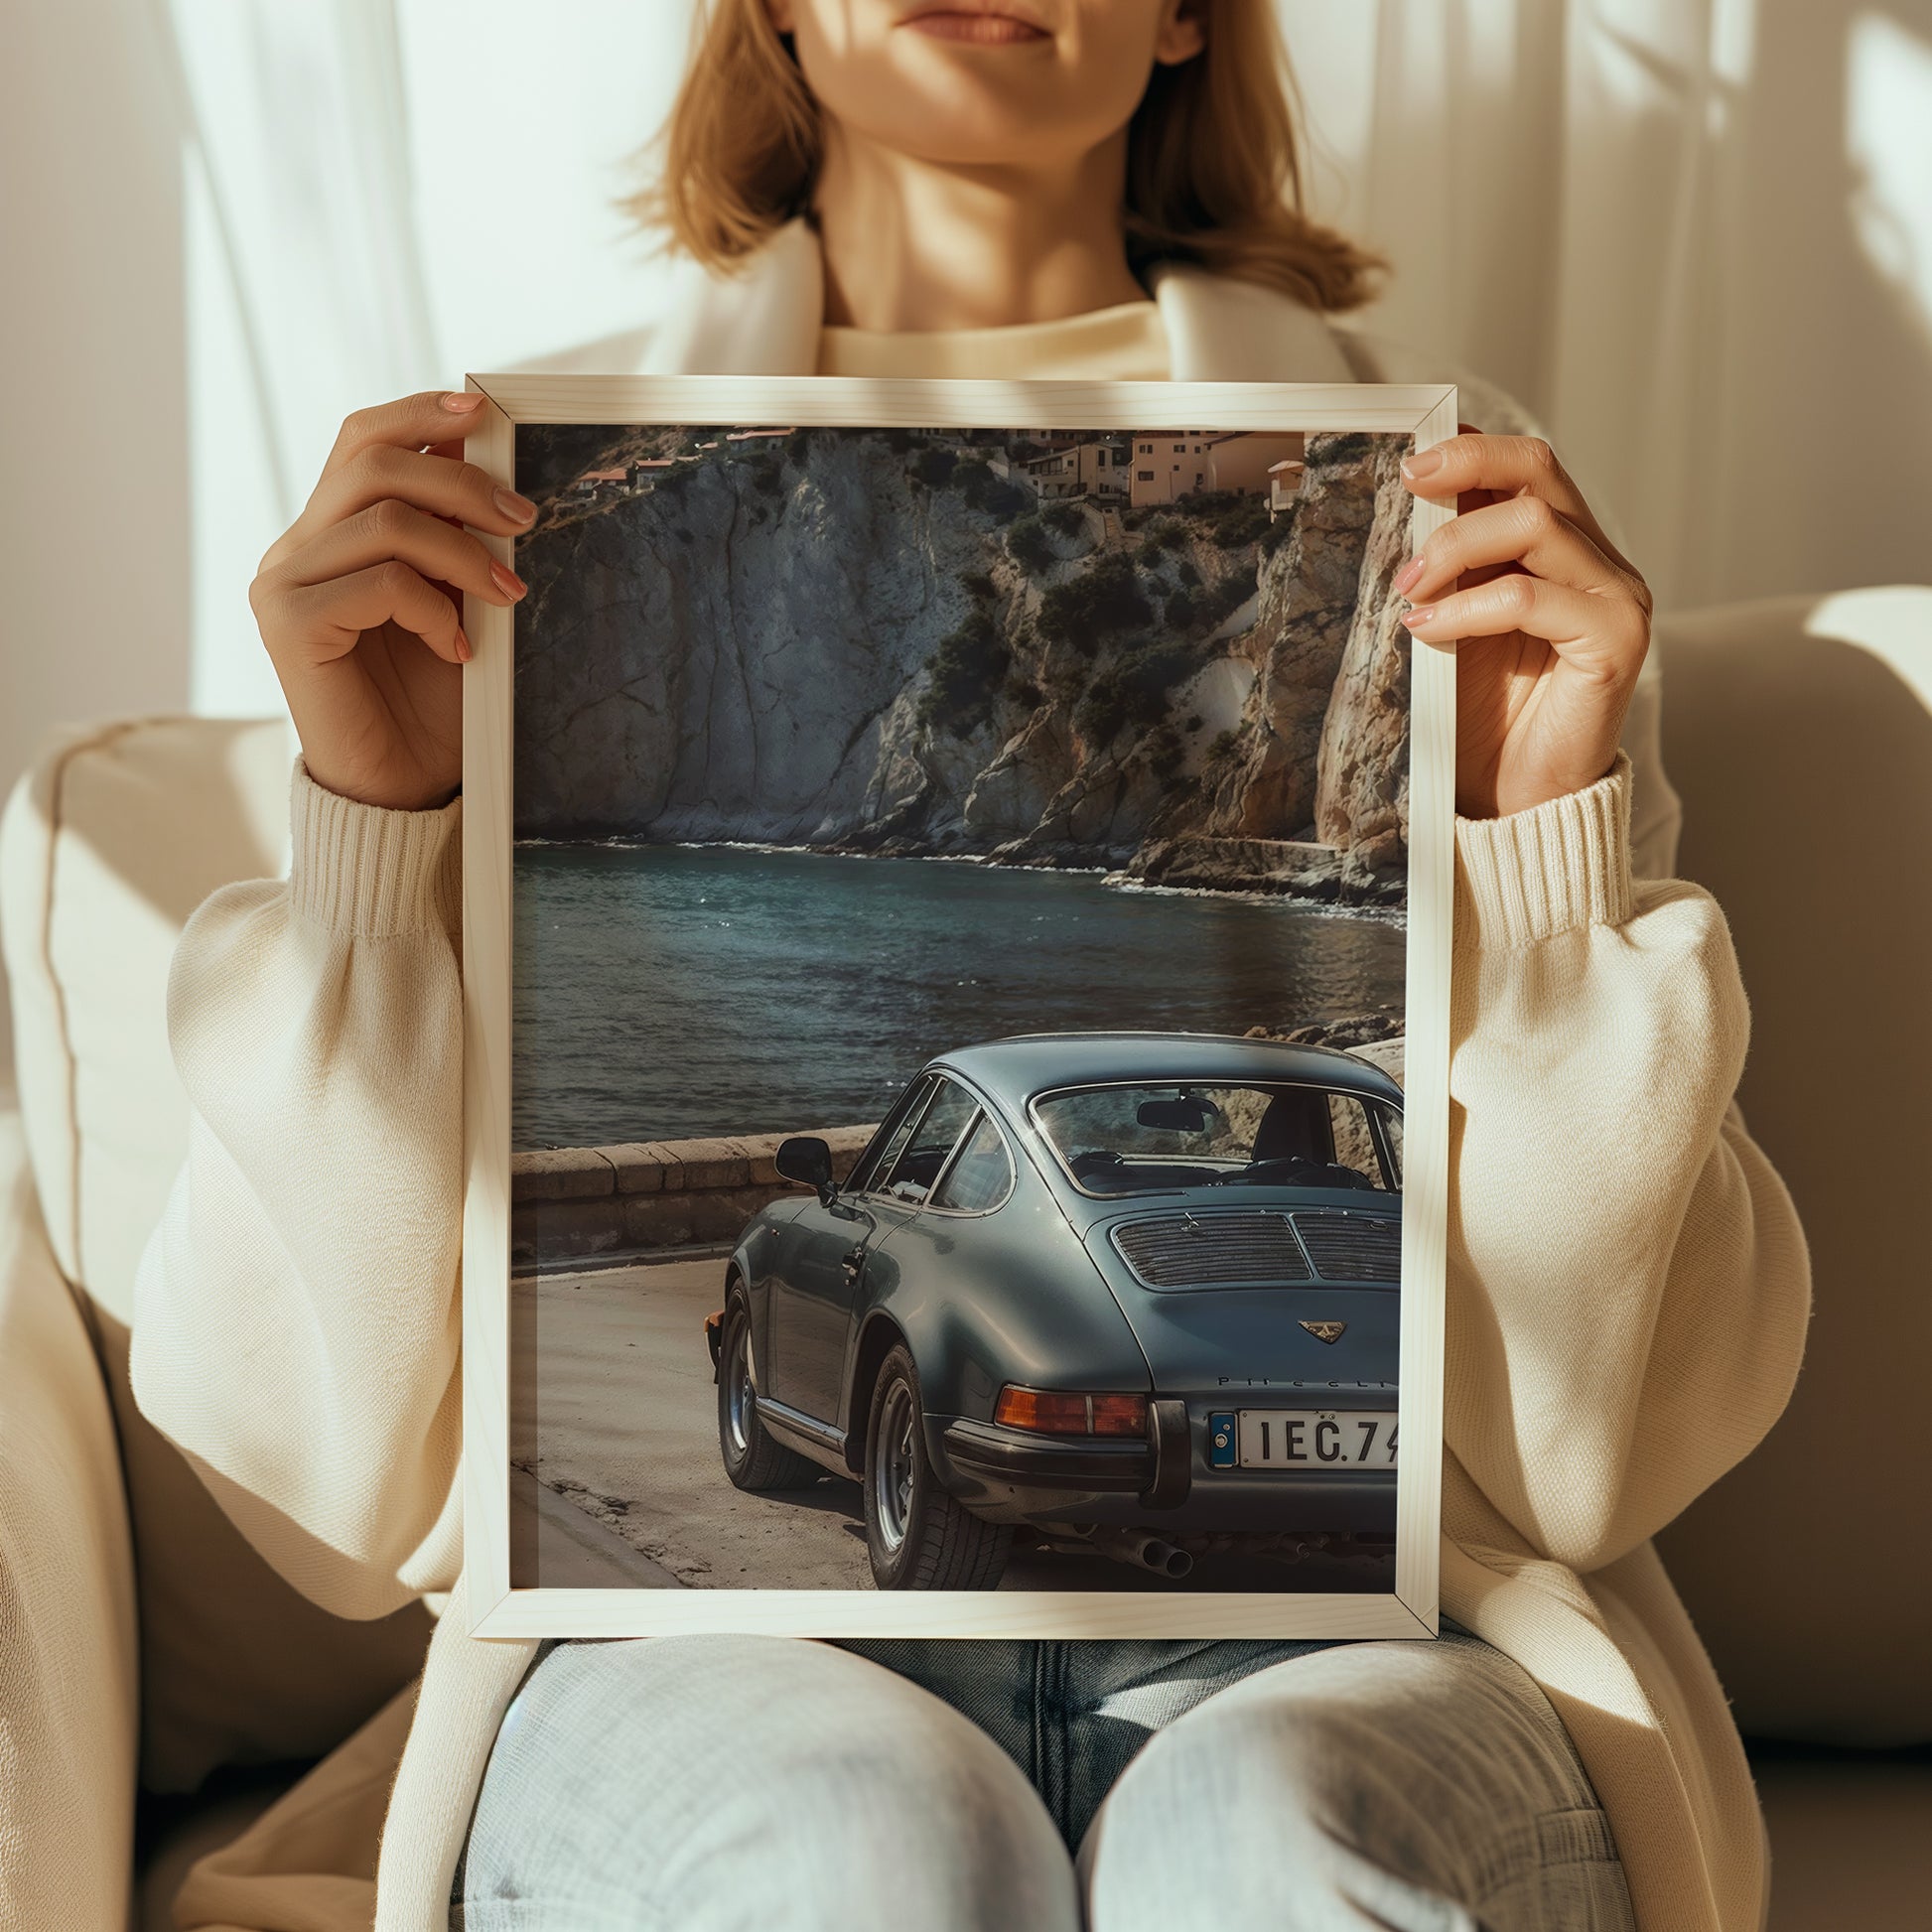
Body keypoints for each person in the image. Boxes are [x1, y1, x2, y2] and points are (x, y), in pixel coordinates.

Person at [122, 3, 1811, 1929]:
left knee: (1265, 1832)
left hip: (1385, 1640)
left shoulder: (1460, 498)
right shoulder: (492, 490)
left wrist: (1537, 844)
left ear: (1186, 12)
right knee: (854, 1849)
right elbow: (325, 1493)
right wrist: (373, 833)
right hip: (700, 1676)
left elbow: (1603, 1462)